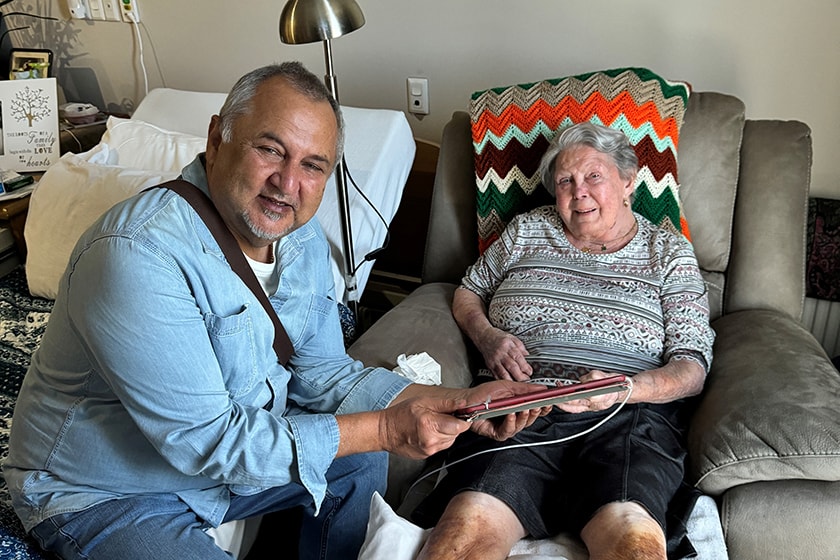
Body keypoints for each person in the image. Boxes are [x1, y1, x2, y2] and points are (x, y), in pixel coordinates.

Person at [3, 62, 547, 560]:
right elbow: (209, 443)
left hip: (219, 468)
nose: (289, 184)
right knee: (365, 440)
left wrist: (458, 400)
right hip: (108, 491)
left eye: (313, 165)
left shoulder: (300, 238)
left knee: (357, 459)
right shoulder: (136, 253)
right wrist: (386, 426)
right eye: (271, 150)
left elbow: (323, 374)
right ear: (218, 139)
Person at [412, 122, 715, 560]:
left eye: (594, 176)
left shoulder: (668, 252)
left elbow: (691, 367)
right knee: (465, 530)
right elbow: (467, 290)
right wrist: (488, 336)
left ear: (628, 181)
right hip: (522, 406)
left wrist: (625, 388)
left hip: (628, 414)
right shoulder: (526, 230)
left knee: (632, 538)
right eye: (565, 182)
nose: (579, 192)